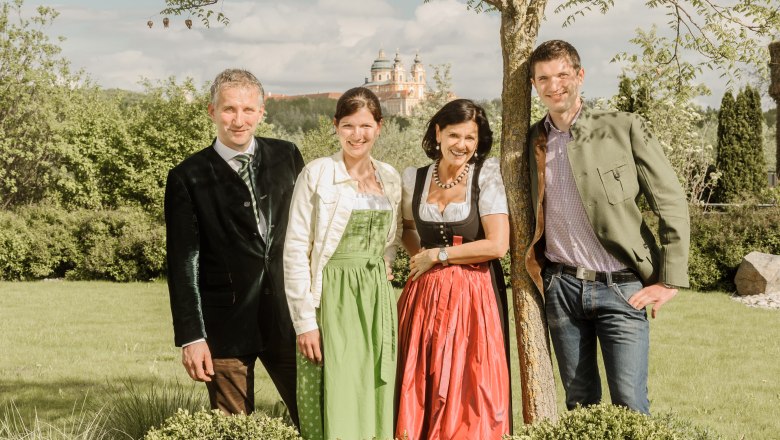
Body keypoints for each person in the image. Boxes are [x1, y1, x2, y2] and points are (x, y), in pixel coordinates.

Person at [525, 40, 691, 414]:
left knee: (631, 405)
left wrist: (669, 280)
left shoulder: (622, 127)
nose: (554, 86)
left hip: (623, 289)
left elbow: (670, 201)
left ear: (580, 76)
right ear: (535, 85)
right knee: (579, 406)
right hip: (561, 289)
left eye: (563, 75)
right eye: (544, 79)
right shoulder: (532, 141)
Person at [164, 68, 303, 424]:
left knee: (316, 417)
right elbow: (183, 263)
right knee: (233, 427)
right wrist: (191, 336)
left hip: (290, 318)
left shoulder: (287, 156)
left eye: (247, 110)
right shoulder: (187, 176)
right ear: (212, 111)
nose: (238, 120)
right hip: (224, 325)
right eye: (229, 109)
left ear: (261, 111)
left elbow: (309, 235)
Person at [283, 87, 402, 440]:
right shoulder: (317, 174)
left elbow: (390, 240)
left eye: (365, 126)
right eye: (348, 125)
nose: (357, 135)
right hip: (332, 296)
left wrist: (383, 267)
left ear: (379, 127)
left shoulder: (390, 177)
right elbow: (295, 251)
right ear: (336, 126)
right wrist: (305, 321)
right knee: (340, 388)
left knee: (374, 389)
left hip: (376, 296)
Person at [396, 99, 511, 440]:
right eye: (454, 135)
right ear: (438, 133)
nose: (461, 145)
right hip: (425, 296)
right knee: (422, 377)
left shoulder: (486, 175)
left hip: (475, 296)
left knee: (469, 380)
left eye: (470, 138)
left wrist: (439, 256)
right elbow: (406, 229)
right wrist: (422, 257)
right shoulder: (414, 178)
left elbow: (497, 245)